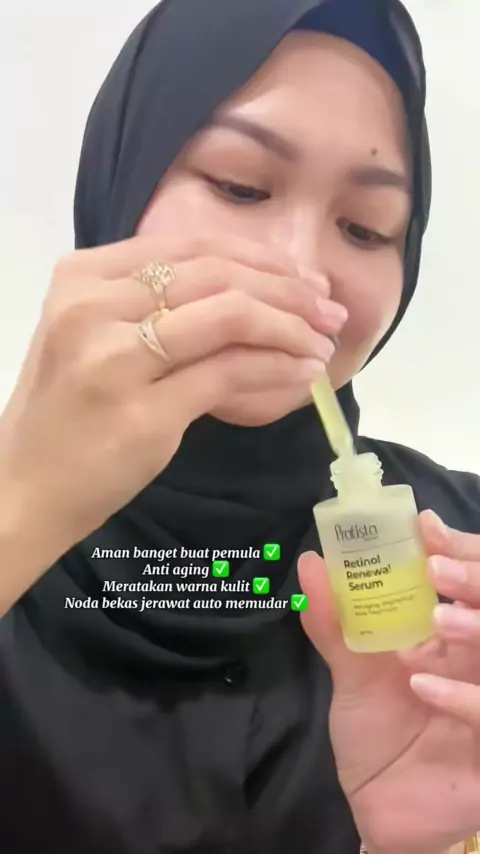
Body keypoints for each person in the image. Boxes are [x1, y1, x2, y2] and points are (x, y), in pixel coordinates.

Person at [1, 0, 480, 852]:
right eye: (240, 186)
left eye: (365, 229)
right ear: (121, 184)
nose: (301, 270)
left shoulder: (460, 569)